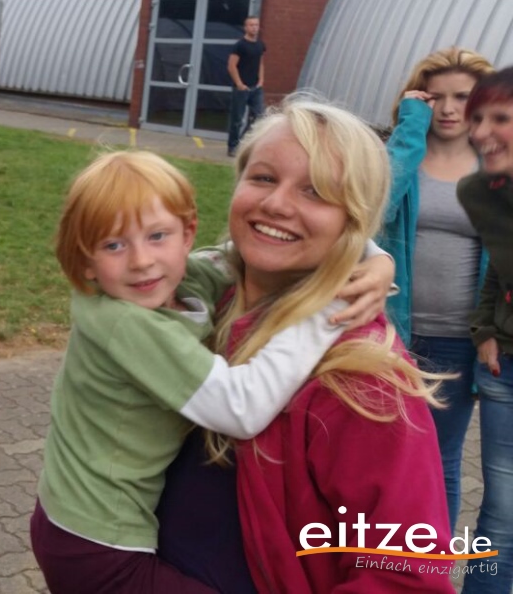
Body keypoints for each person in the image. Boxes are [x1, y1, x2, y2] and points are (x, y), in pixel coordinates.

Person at [31, 150, 392, 593]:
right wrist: (330, 305)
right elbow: (239, 408)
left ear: (187, 233)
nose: (141, 260)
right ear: (85, 261)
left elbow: (259, 248)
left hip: (77, 523)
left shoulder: (184, 282)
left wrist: (375, 258)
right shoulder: (124, 321)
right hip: (98, 545)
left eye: (157, 235)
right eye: (113, 245)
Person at [157, 98, 453, 593]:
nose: (276, 204)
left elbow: (407, 577)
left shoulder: (361, 381)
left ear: (353, 222)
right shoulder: (200, 307)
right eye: (263, 177)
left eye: (315, 191)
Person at [377, 47, 493, 531]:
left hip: (458, 343)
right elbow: (374, 207)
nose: (447, 109)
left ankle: (432, 564)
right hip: (389, 334)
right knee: (383, 457)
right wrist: (409, 131)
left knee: (441, 459)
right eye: (435, 97)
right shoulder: (403, 155)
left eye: (461, 97)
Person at [455, 66, 513, 594]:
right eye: (477, 119)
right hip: (506, 369)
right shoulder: (484, 191)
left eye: (500, 118)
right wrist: (484, 328)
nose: (480, 132)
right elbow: (500, 262)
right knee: (501, 516)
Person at [226, 15, 266, 157]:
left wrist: (261, 80)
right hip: (241, 89)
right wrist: (239, 84)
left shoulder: (260, 45)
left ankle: (243, 143)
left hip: (256, 88)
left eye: (256, 25)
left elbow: (260, 63)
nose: (254, 27)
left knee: (259, 116)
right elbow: (231, 66)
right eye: (251, 25)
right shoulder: (240, 45)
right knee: (237, 119)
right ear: (245, 27)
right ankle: (232, 147)